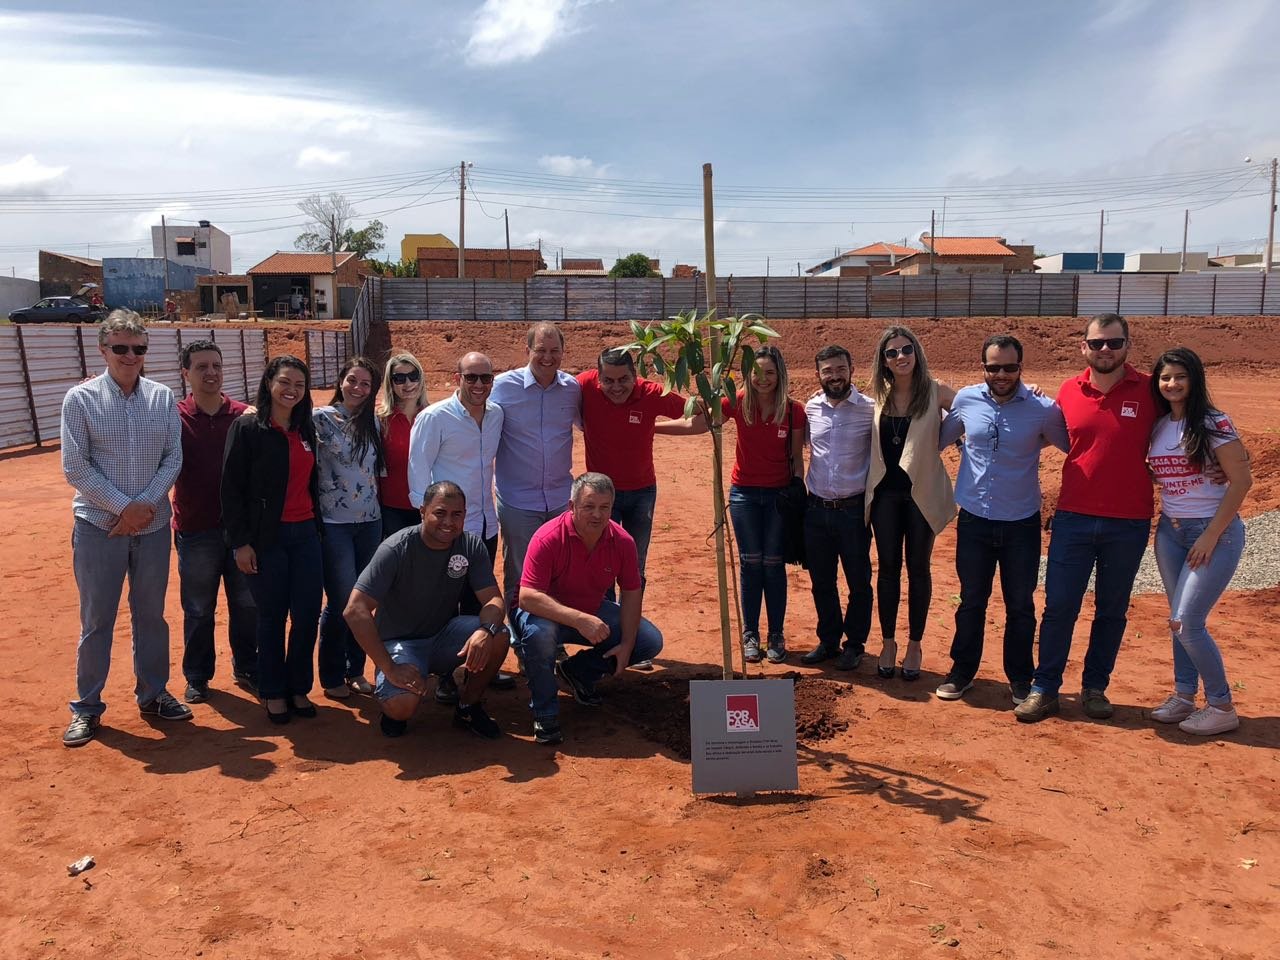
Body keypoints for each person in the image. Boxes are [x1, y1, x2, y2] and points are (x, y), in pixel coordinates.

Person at [1016, 314, 1158, 723]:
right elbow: (1046, 429)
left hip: (1128, 522)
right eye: (1096, 343)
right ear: (1084, 347)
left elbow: (1186, 429)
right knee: (1060, 606)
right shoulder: (1067, 391)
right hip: (1073, 517)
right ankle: (1045, 688)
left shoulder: (1151, 390)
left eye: (1113, 343)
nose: (1105, 350)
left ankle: (1095, 688)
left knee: (1112, 609)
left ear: (1127, 345)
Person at [60, 311, 187, 747]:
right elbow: (75, 466)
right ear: (103, 350)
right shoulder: (80, 399)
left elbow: (173, 458)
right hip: (99, 527)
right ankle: (87, 707)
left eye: (138, 348)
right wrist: (123, 508)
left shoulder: (162, 397)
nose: (130, 356)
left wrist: (143, 507)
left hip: (151, 528)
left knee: (151, 616)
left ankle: (153, 694)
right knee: (97, 620)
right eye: (121, 348)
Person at [935, 335, 1068, 705]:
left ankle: (1021, 678)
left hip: (1021, 523)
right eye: (994, 367)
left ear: (1021, 368)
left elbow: (1075, 445)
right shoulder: (966, 400)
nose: (1002, 374)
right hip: (974, 521)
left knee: (1020, 605)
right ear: (984, 368)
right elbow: (937, 441)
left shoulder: (1041, 408)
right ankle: (962, 672)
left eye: (1010, 367)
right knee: (971, 601)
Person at [345, 481, 510, 739]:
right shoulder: (395, 549)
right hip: (400, 643)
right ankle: (392, 704)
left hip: (444, 635)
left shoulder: (469, 545)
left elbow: (494, 600)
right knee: (401, 707)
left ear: (466, 515)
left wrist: (486, 631)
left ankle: (468, 706)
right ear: (422, 511)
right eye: (440, 513)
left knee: (499, 634)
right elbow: (355, 610)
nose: (449, 522)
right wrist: (388, 666)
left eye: (457, 514)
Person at [510, 473, 664, 745]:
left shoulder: (622, 542)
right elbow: (528, 597)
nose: (597, 515)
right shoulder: (547, 538)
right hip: (544, 613)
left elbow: (631, 591)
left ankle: (579, 673)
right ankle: (544, 712)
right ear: (572, 507)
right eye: (589, 506)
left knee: (648, 640)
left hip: (590, 611)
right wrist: (580, 619)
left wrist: (627, 643)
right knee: (539, 636)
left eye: (605, 507)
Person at [1147, 347, 1251, 736]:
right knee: (1176, 619)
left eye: (1179, 376)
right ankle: (1184, 695)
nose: (1172, 384)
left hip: (1212, 531)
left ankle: (1222, 704)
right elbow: (1164, 473)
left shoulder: (1213, 422)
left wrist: (1211, 534)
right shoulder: (1159, 426)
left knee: (1187, 622)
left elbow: (1241, 479)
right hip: (1170, 531)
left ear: (1195, 379)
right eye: (1165, 378)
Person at [222, 356, 324, 724]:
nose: (291, 390)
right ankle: (272, 691)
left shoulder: (307, 429)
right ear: (268, 383)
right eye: (284, 381)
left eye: (299, 384)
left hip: (306, 535)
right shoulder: (248, 428)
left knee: (308, 614)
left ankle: (298, 688)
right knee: (271, 615)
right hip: (267, 539)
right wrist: (241, 543)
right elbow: (230, 490)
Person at [866, 326, 957, 681]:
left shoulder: (936, 392)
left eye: (906, 350)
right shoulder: (875, 395)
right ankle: (888, 642)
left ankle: (915, 644)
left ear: (916, 352)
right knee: (887, 569)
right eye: (892, 353)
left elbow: (980, 405)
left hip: (921, 494)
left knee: (919, 568)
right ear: (884, 361)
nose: (900, 357)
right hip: (885, 496)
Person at [173, 339, 258, 704]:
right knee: (197, 608)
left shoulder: (245, 416)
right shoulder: (171, 416)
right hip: (195, 530)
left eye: (216, 366)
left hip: (240, 532)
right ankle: (197, 675)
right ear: (186, 373)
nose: (211, 373)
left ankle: (247, 667)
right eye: (202, 367)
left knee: (246, 605)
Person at [576, 347, 693, 593]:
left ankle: (630, 626)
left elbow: (696, 417)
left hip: (642, 493)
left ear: (635, 375)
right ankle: (606, 624)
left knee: (634, 566)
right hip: (602, 495)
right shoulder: (583, 386)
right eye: (608, 380)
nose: (616, 387)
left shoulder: (651, 393)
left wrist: (654, 427)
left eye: (623, 380)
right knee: (601, 563)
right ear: (598, 377)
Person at [490, 323, 582, 614]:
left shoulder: (572, 388)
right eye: (541, 350)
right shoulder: (502, 386)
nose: (548, 357)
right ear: (527, 350)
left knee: (558, 571)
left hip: (559, 500)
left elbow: (591, 426)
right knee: (519, 572)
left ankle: (551, 641)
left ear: (563, 352)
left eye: (555, 351)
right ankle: (521, 639)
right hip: (517, 501)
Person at [723, 346, 806, 663]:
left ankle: (776, 634)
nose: (763, 379)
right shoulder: (739, 400)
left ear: (780, 374)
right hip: (743, 493)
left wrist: (797, 485)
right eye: (756, 372)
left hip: (777, 496)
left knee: (773, 563)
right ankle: (750, 634)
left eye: (770, 372)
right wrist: (653, 427)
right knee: (750, 561)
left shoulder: (793, 410)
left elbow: (796, 456)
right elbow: (706, 418)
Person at [799, 345, 876, 671]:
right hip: (815, 509)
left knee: (859, 582)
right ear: (818, 374)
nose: (834, 376)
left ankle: (854, 644)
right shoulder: (810, 409)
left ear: (851, 369)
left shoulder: (870, 409)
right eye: (827, 370)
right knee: (822, 581)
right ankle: (828, 640)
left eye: (840, 369)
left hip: (853, 510)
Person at [409, 352, 504, 611]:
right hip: (449, 528)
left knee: (477, 601)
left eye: (485, 378)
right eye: (471, 377)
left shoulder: (496, 415)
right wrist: (429, 527)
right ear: (457, 378)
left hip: (486, 526)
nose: (479, 384)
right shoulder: (434, 417)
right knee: (443, 603)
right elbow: (418, 474)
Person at [314, 356, 384, 700]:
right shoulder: (319, 420)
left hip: (370, 523)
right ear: (341, 381)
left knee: (363, 601)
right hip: (334, 525)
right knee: (340, 600)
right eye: (352, 380)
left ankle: (355, 670)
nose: (358, 388)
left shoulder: (373, 422)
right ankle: (331, 675)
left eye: (365, 384)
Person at [376, 352, 430, 540]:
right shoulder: (380, 420)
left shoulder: (433, 417)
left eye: (413, 376)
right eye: (399, 378)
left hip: (427, 507)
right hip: (392, 509)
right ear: (390, 383)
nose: (408, 384)